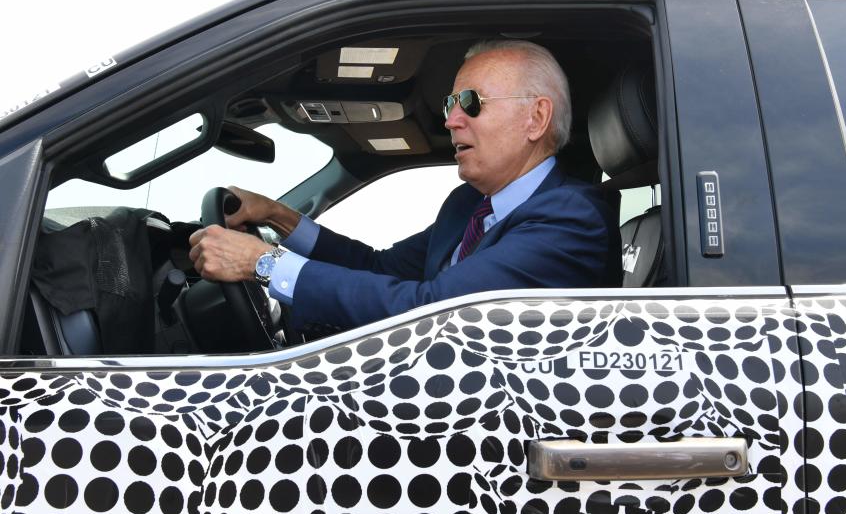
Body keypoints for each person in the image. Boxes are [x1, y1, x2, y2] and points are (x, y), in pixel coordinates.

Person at [188, 40, 621, 332]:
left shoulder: (571, 218)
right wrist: (278, 216)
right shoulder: (469, 205)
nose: (451, 119)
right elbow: (380, 269)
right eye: (452, 104)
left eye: (470, 102)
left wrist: (264, 265)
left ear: (536, 118)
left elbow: (433, 311)